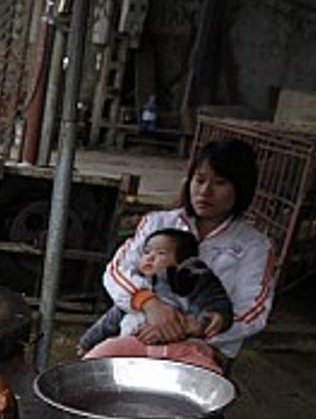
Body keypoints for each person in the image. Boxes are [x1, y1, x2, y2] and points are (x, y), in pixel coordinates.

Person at [85, 138, 276, 373]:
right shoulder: (158, 222)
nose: (205, 191)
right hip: (138, 336)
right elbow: (117, 271)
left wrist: (189, 325)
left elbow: (253, 310)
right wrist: (149, 304)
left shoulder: (254, 245)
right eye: (200, 179)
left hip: (204, 348)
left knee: (197, 402)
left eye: (220, 182)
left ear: (241, 189)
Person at [77, 228, 233, 355]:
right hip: (132, 345)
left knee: (204, 364)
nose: (150, 257)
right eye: (146, 252)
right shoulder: (137, 289)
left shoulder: (191, 280)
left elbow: (213, 299)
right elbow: (109, 322)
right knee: (100, 355)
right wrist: (88, 342)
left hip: (179, 348)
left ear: (184, 261)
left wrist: (215, 316)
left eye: (161, 253)